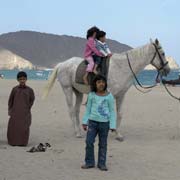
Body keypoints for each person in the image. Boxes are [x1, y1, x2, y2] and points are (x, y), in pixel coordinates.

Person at [81, 75, 116, 171]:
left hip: (105, 124)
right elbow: (88, 110)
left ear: (105, 84)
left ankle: (102, 164)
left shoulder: (109, 96)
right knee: (89, 142)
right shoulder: (91, 95)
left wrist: (113, 125)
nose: (101, 84)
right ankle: (89, 162)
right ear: (95, 84)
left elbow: (112, 111)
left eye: (103, 82)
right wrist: (85, 122)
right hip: (92, 123)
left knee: (103, 144)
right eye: (98, 82)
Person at [7, 71, 35, 146]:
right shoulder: (14, 89)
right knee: (13, 127)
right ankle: (13, 142)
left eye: (24, 79)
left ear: (26, 79)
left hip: (25, 112)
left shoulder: (30, 90)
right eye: (20, 79)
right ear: (18, 80)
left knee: (24, 127)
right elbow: (10, 100)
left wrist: (27, 107)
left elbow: (32, 100)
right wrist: (10, 110)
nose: (22, 80)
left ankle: (22, 143)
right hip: (15, 112)